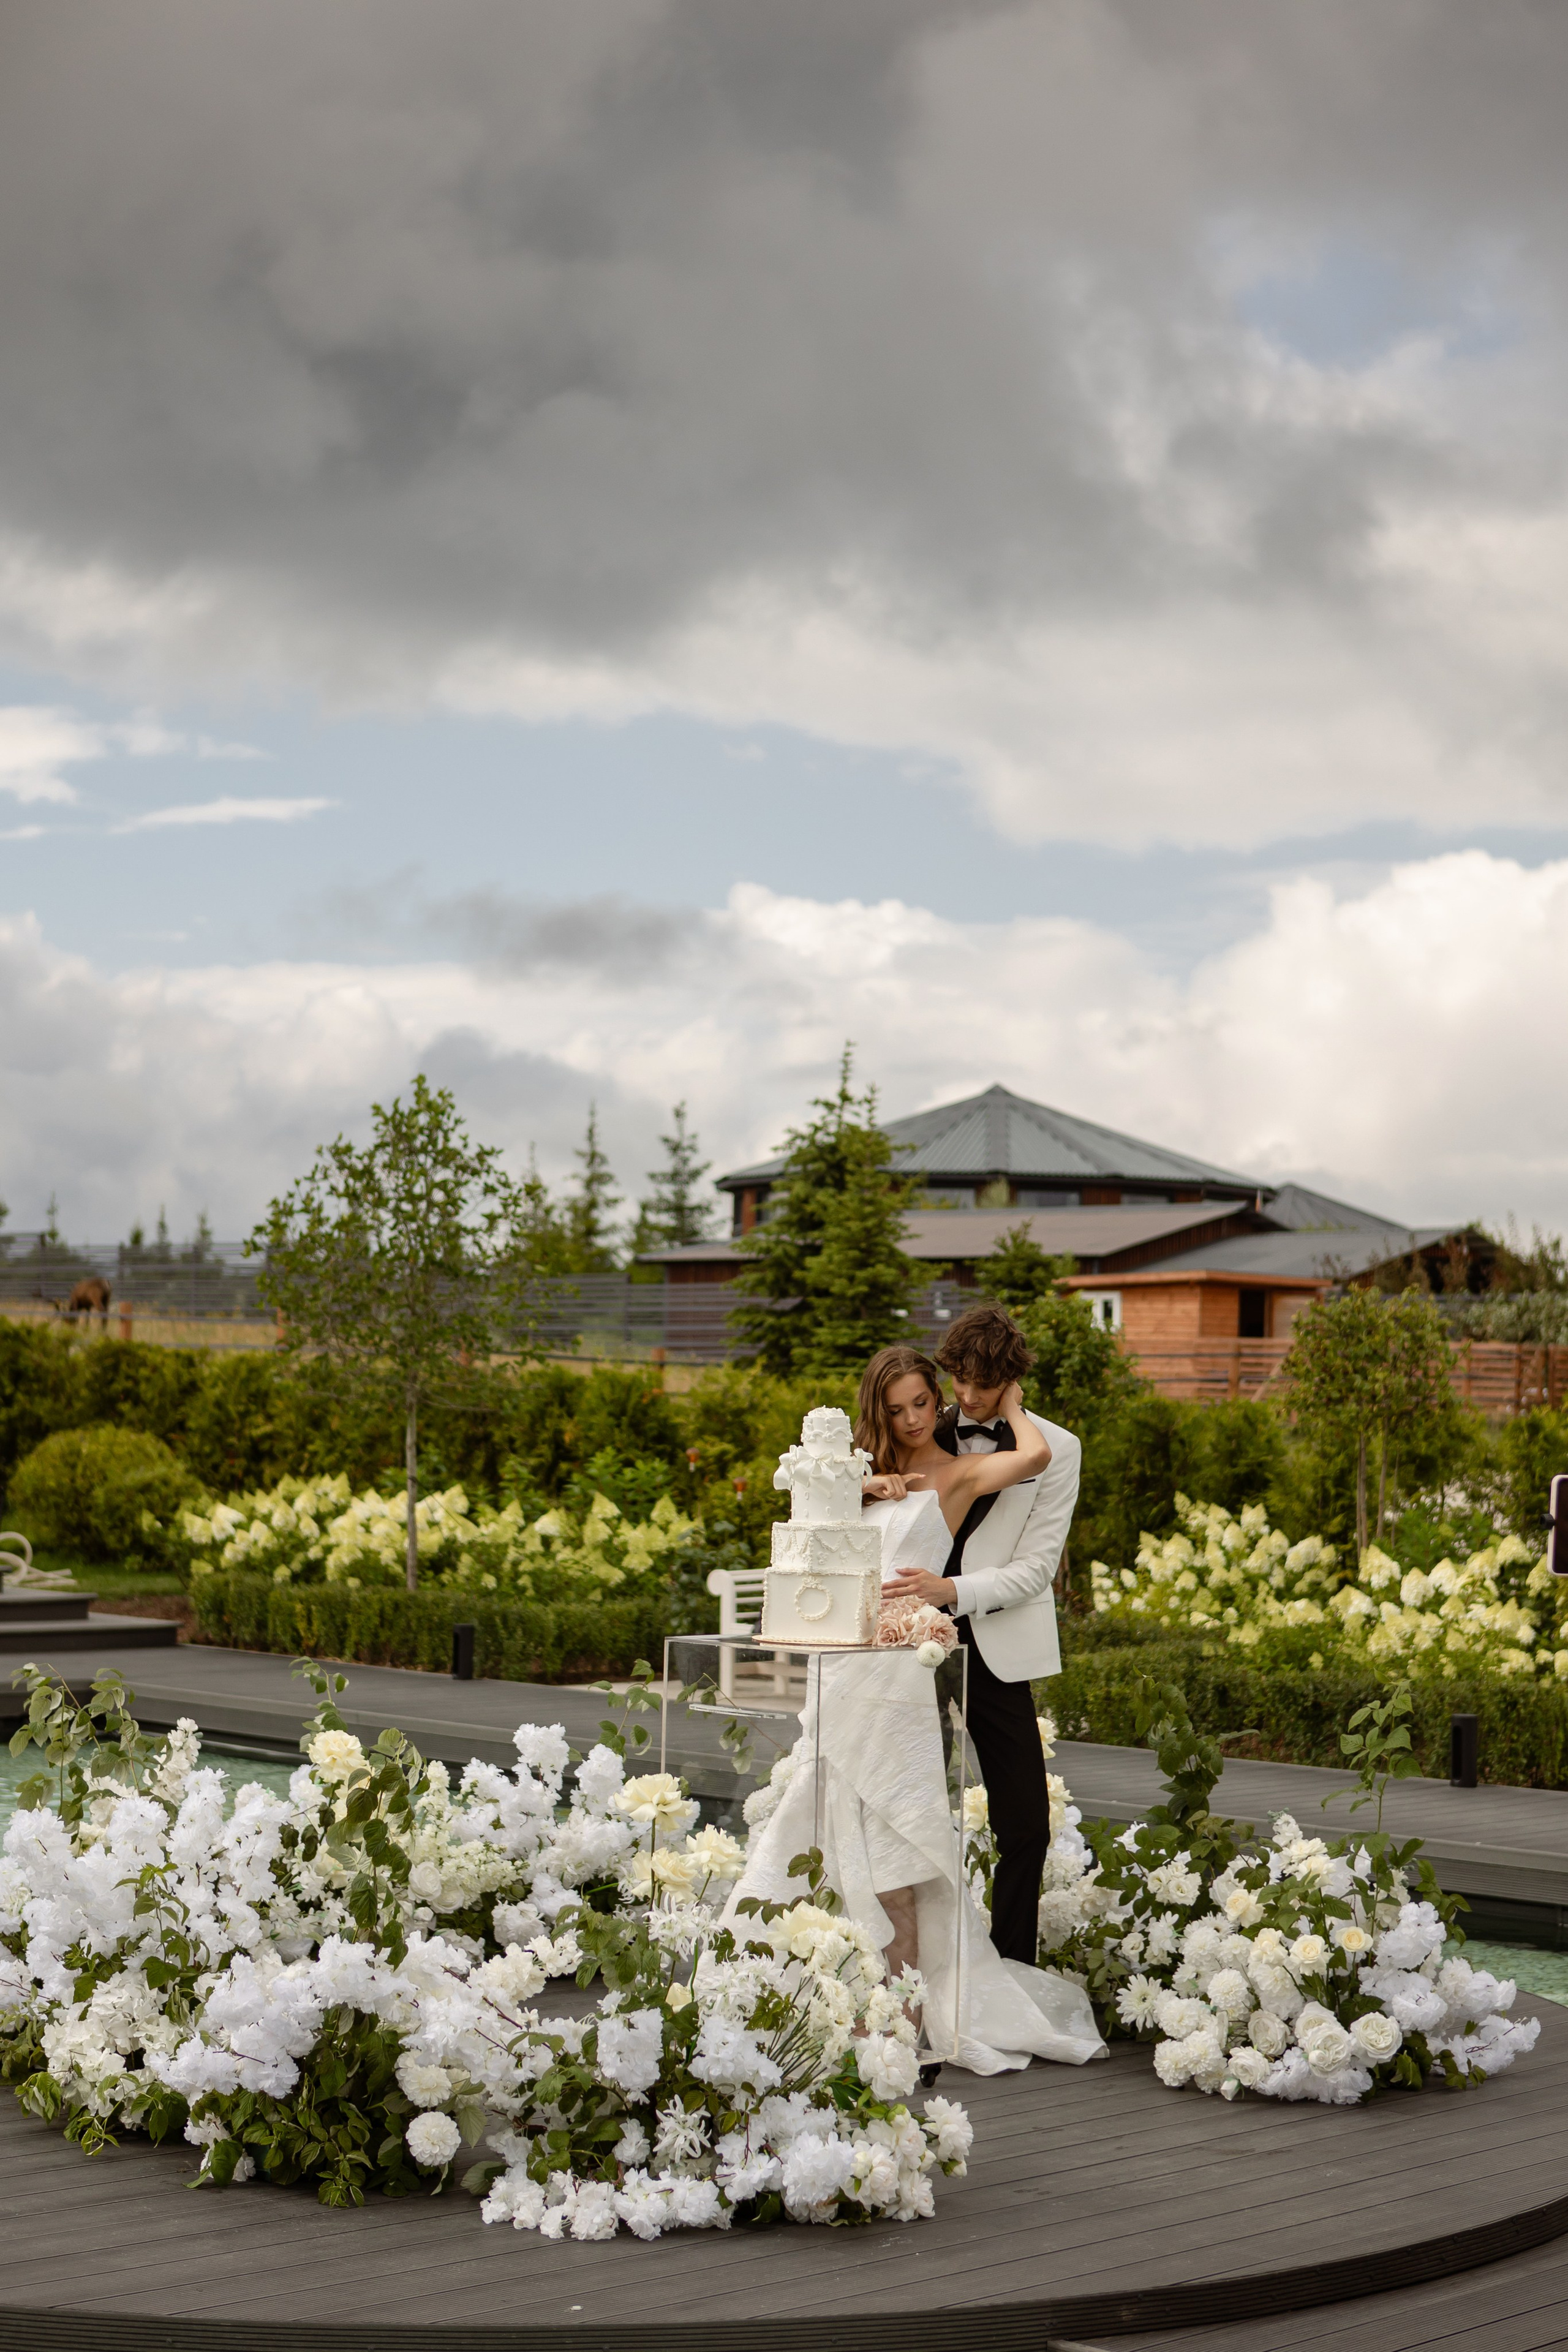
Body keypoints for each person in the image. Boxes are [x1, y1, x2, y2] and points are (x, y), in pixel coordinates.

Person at [725, 1344, 1103, 2075]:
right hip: (843, 1671)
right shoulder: (861, 1480)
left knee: (903, 1846)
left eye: (922, 1404)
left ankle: (903, 2028)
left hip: (912, 1668)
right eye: (895, 1410)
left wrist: (1014, 1402)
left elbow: (1030, 1461)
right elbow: (816, 1540)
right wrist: (865, 1487)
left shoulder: (959, 1471)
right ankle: (813, 1996)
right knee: (827, 1827)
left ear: (939, 1401)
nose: (910, 1420)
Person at [884, 1301, 1080, 1969]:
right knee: (905, 1803)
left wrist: (955, 1594)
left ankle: (1011, 1970)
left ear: (1012, 1379)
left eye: (984, 1385)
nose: (967, 1398)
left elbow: (1034, 1569)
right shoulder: (914, 1427)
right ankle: (913, 1964)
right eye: (958, 1382)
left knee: (1024, 1819)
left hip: (993, 1641)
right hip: (905, 1645)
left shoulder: (1054, 1450)